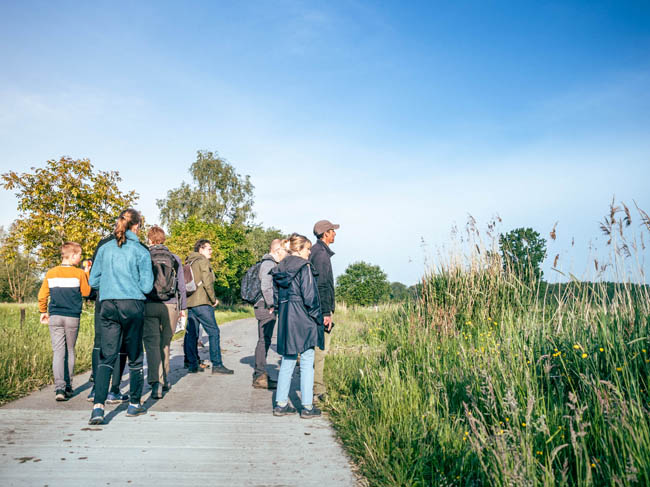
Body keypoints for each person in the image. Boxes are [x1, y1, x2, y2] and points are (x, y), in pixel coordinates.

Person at [88, 208, 154, 425]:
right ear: (137, 226)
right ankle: (134, 404)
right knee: (135, 354)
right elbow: (146, 286)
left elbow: (93, 282)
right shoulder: (141, 251)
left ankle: (98, 408)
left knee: (107, 356)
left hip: (107, 304)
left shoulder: (105, 249)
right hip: (132, 303)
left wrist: (110, 284)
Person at [271, 233, 324, 418]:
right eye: (308, 249)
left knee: (288, 360)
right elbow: (310, 297)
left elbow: (276, 297)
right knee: (308, 360)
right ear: (299, 249)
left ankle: (281, 404)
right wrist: (318, 317)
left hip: (286, 316)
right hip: (303, 316)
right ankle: (307, 407)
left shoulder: (279, 267)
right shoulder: (304, 267)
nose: (310, 253)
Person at [38, 242, 91, 401]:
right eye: (79, 255)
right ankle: (68, 386)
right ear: (73, 255)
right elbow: (86, 292)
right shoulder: (79, 273)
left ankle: (59, 389)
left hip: (55, 316)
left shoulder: (51, 273)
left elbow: (42, 295)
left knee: (58, 351)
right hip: (72, 316)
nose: (80, 258)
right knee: (70, 350)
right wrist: (87, 272)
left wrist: (43, 311)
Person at [143, 226, 187, 398]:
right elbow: (181, 286)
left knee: (152, 345)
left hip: (149, 304)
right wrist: (183, 308)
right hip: (170, 305)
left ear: (150, 240)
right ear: (163, 239)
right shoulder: (174, 258)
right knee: (165, 344)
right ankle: (165, 379)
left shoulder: (145, 256)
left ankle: (156, 383)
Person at [86, 233, 130, 405]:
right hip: (125, 299)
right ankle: (114, 390)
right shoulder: (134, 245)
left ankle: (96, 388)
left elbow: (93, 277)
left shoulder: (103, 244)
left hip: (103, 299)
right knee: (121, 344)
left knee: (99, 342)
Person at [184, 239, 234, 375]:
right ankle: (217, 365)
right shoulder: (203, 261)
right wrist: (213, 299)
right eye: (209, 249)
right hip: (202, 302)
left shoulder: (189, 261)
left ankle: (192, 364)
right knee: (214, 332)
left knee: (191, 334)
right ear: (201, 249)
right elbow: (207, 283)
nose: (211, 251)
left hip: (190, 303)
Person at [252, 238, 288, 389]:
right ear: (277, 250)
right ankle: (260, 376)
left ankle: (260, 374)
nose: (286, 254)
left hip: (265, 305)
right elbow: (266, 286)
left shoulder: (269, 263)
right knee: (264, 339)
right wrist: (271, 304)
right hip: (266, 306)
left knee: (264, 339)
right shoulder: (269, 263)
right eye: (285, 251)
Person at [310, 219, 339, 402]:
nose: (335, 234)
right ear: (325, 233)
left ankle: (314, 386)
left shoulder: (317, 251)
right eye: (333, 231)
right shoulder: (321, 255)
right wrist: (326, 312)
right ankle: (317, 390)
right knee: (321, 349)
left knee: (317, 349)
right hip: (322, 309)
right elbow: (322, 285)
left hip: (317, 308)